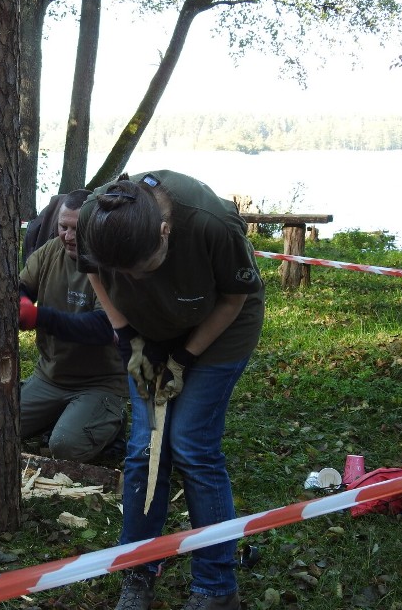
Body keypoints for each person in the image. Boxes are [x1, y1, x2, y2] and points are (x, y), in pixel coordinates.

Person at [76, 171, 265, 610]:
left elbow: (235, 299)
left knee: (191, 446)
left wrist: (183, 358)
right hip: (147, 331)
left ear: (165, 232)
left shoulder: (210, 222)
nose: (134, 280)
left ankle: (217, 588)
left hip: (219, 330)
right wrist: (128, 339)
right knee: (145, 447)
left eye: (144, 268)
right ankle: (139, 569)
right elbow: (95, 276)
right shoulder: (98, 217)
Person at [18, 189, 128, 463]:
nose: (68, 237)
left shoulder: (112, 263)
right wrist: (20, 302)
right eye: (62, 227)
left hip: (99, 382)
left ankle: (110, 426)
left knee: (65, 447)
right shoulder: (51, 251)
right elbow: (22, 287)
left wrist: (39, 317)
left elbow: (103, 327)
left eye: (76, 229)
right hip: (50, 376)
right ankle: (59, 415)